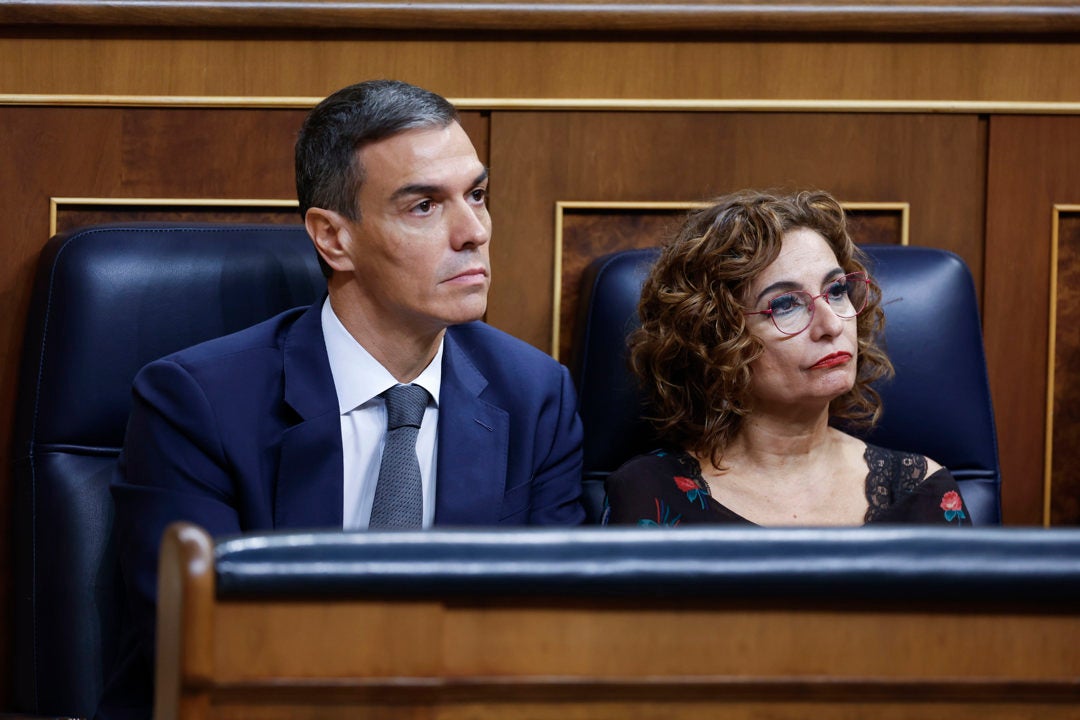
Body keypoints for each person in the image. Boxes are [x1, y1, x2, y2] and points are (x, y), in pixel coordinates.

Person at [97, 79, 585, 719]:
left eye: (478, 195)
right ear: (333, 238)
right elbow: (208, 649)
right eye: (424, 207)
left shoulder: (534, 396)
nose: (474, 232)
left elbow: (551, 637)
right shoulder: (196, 403)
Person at [603, 189, 971, 527]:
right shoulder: (648, 495)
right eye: (785, 304)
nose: (831, 324)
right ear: (716, 337)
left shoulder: (920, 489)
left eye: (837, 290)